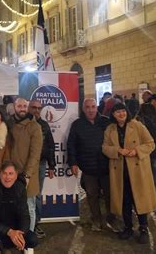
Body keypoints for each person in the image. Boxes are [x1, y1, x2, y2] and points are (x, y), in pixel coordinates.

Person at [102, 103, 156, 244]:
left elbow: (150, 143)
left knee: (140, 199)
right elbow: (105, 147)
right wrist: (117, 150)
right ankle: (128, 227)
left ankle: (143, 228)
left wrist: (137, 151)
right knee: (125, 201)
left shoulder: (137, 125)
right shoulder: (110, 129)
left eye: (123, 111)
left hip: (137, 170)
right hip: (120, 171)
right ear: (113, 115)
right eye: (117, 112)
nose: (121, 114)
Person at [67, 98, 115, 232]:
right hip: (88, 168)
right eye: (87, 107)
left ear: (97, 107)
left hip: (107, 167)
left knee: (110, 195)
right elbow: (71, 145)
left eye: (93, 106)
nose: (90, 110)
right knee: (92, 195)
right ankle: (96, 219)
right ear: (83, 109)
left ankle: (111, 218)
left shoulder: (106, 122)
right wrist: (73, 163)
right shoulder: (77, 124)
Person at [0, 161, 38, 254]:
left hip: (13, 227)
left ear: (16, 175)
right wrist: (9, 232)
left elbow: (24, 214)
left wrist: (20, 234)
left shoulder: (20, 188)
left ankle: (14, 245)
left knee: (32, 239)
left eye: (11, 173)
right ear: (0, 174)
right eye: (4, 173)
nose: (7, 177)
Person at [4, 98, 42, 233]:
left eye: (24, 106)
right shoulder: (8, 125)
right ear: (14, 107)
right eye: (19, 106)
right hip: (11, 174)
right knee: (13, 207)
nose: (22, 108)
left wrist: (27, 174)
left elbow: (35, 154)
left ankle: (29, 240)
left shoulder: (34, 127)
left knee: (29, 207)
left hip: (28, 175)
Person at [27, 99, 56, 239]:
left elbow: (51, 145)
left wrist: (52, 165)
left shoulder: (44, 125)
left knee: (37, 194)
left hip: (40, 164)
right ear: (28, 108)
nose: (36, 110)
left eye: (39, 108)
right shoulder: (22, 123)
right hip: (24, 164)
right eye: (34, 107)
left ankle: (36, 223)